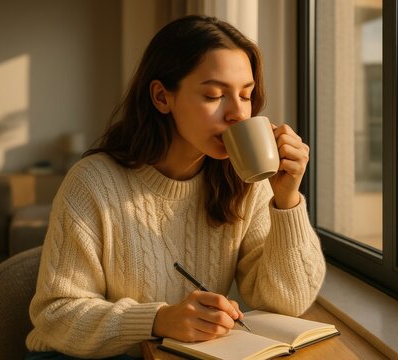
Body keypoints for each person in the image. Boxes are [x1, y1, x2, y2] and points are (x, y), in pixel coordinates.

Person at [25, 15, 326, 359]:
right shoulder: (93, 182)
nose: (238, 115)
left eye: (246, 95)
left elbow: (288, 302)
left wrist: (287, 199)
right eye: (215, 95)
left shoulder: (244, 182)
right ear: (162, 97)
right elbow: (55, 314)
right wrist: (158, 319)